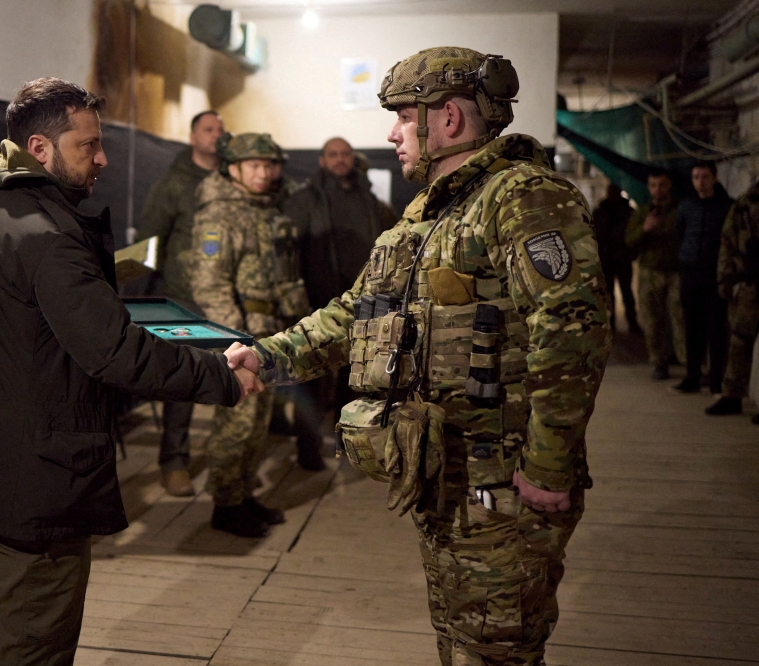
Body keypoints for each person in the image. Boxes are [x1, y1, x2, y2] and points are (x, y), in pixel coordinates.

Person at [227, 47, 611, 665]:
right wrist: (266, 359)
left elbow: (571, 333)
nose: (392, 133)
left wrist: (547, 465)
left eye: (404, 117)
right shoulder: (428, 215)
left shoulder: (523, 197)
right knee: (460, 638)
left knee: (495, 649)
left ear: (447, 119)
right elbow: (353, 315)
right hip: (441, 473)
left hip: (502, 481)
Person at [0, 78, 262, 665]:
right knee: (34, 643)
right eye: (88, 145)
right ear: (40, 148)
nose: (102, 158)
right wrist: (220, 375)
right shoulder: (48, 238)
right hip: (40, 482)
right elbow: (116, 353)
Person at [191, 132, 309, 538]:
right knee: (236, 423)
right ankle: (225, 504)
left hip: (268, 334)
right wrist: (235, 340)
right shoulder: (219, 215)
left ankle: (242, 494)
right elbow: (210, 284)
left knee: (258, 423)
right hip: (239, 339)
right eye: (254, 165)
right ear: (233, 169)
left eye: (270, 164)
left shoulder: (267, 209)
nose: (264, 173)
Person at [283, 136, 397, 470]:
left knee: (355, 379)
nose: (339, 159)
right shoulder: (304, 200)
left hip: (362, 308)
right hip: (316, 306)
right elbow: (289, 253)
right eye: (332, 154)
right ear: (322, 160)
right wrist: (296, 300)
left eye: (345, 154)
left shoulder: (368, 200)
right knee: (312, 381)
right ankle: (308, 448)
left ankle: (345, 443)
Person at [136, 110, 226, 496]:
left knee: (233, 378)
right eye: (208, 129)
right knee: (183, 383)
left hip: (227, 300)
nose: (216, 135)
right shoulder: (173, 184)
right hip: (185, 301)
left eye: (221, 129)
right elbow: (149, 244)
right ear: (192, 137)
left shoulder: (232, 180)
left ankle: (227, 459)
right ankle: (174, 461)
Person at [674, 161, 734, 393]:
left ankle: (716, 379)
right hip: (690, 273)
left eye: (705, 176)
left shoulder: (726, 206)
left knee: (716, 328)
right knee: (692, 327)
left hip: (714, 275)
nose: (700, 182)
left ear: (714, 178)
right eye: (696, 177)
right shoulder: (687, 206)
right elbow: (681, 234)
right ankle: (693, 376)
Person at [625, 169, 686, 379]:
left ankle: (686, 362)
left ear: (669, 186)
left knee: (680, 319)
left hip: (675, 271)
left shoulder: (679, 210)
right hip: (650, 272)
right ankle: (658, 362)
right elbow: (629, 241)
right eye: (653, 185)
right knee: (652, 320)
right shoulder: (642, 212)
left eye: (662, 185)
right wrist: (645, 228)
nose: (657, 190)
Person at [707, 179, 759, 420]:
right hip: (748, 283)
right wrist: (724, 279)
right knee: (739, 340)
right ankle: (732, 395)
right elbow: (727, 242)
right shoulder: (744, 205)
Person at [593, 183, 639, 333]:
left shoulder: (626, 211)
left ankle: (630, 322)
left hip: (620, 257)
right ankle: (613, 323)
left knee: (625, 292)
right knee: (610, 293)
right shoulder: (601, 211)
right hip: (608, 258)